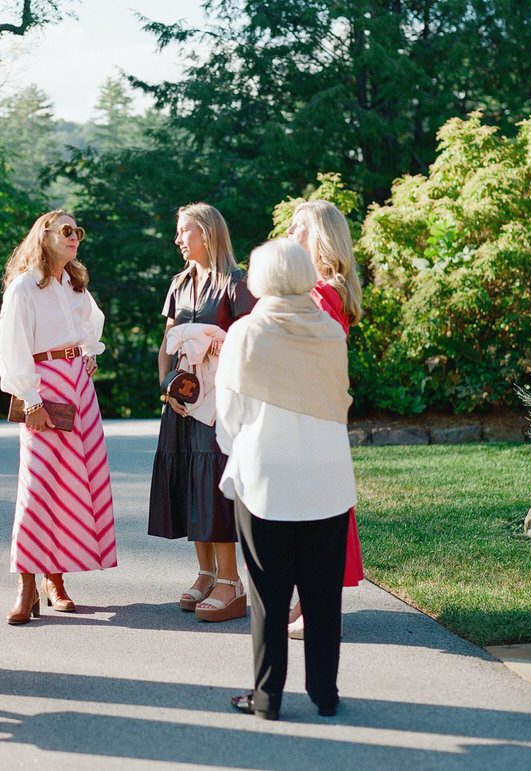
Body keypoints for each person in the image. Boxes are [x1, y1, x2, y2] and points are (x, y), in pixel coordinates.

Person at [215, 238, 357, 720]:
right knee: (323, 596)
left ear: (259, 279)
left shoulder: (246, 333)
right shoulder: (330, 332)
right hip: (329, 475)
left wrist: (237, 449)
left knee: (268, 597)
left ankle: (267, 697)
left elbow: (229, 416)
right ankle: (325, 693)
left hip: (267, 477)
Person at [0, 210, 117, 625]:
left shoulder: (73, 282)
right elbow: (12, 346)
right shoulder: (24, 287)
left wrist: (87, 353)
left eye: (78, 232)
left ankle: (56, 580)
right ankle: (25, 585)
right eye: (66, 231)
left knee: (70, 483)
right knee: (38, 484)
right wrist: (30, 400)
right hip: (44, 387)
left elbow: (91, 323)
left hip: (77, 387)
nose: (75, 237)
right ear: (43, 235)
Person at [148, 202, 257, 622]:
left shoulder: (237, 282)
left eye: (183, 231)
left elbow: (252, 341)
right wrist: (166, 389)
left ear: (207, 233)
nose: (178, 240)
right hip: (182, 400)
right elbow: (166, 343)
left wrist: (221, 343)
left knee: (212, 480)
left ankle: (231, 581)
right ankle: (206, 573)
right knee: (189, 480)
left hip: (220, 403)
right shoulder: (178, 283)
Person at [284, 199, 365, 639]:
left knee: (313, 512)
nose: (289, 234)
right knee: (310, 508)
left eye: (298, 228)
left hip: (311, 415)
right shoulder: (323, 290)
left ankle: (317, 606)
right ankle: (306, 602)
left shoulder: (320, 294)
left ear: (319, 237)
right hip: (313, 413)